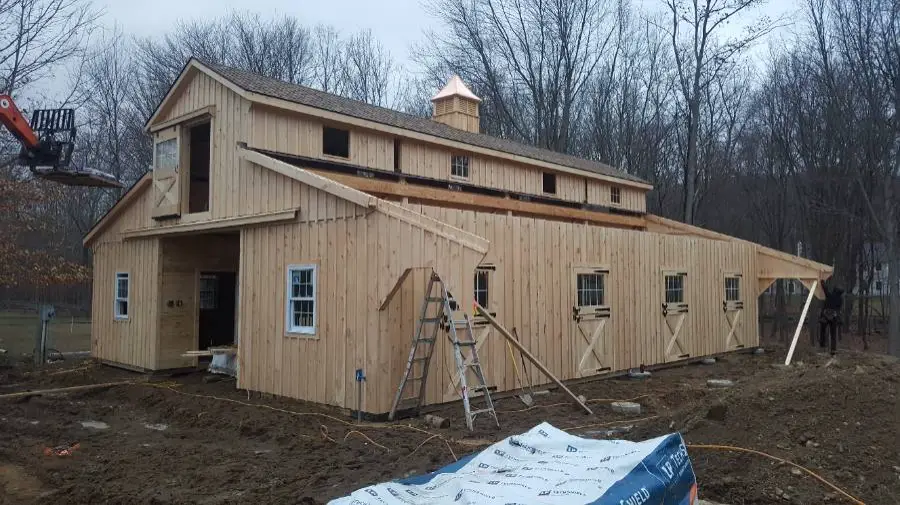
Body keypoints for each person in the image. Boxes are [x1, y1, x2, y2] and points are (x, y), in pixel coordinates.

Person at [819, 281, 844, 355]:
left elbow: (825, 290)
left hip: (826, 316)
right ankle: (833, 350)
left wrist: (822, 282)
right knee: (833, 334)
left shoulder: (830, 296)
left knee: (822, 331)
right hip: (834, 317)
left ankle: (822, 345)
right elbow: (839, 309)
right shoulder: (840, 300)